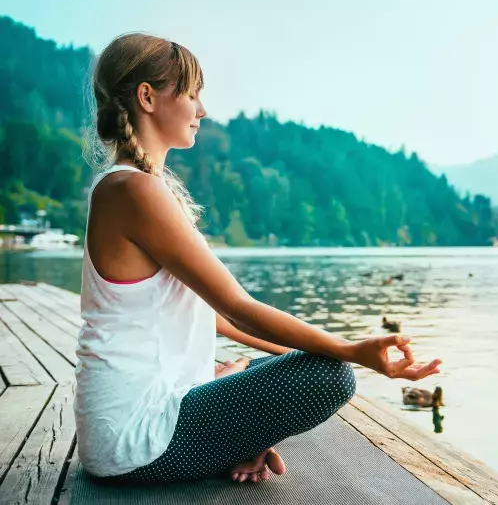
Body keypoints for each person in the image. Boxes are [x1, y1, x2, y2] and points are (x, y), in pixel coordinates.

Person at [75, 33, 442, 485]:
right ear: (147, 97)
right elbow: (238, 307)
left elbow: (209, 316)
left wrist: (284, 361)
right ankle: (235, 433)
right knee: (332, 377)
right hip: (137, 443)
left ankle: (237, 426)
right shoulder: (134, 190)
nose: (202, 110)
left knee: (280, 364)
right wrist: (352, 350)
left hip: (135, 428)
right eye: (192, 94)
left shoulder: (133, 186)